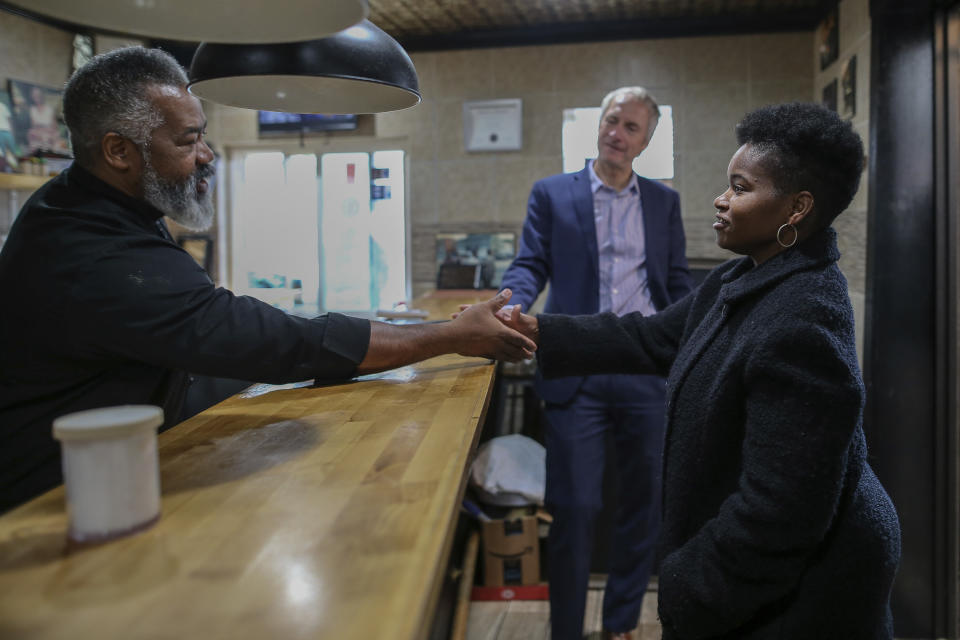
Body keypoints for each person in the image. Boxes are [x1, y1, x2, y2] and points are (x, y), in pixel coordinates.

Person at [0, 46, 535, 515]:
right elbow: (258, 337)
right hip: (51, 507)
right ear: (118, 151)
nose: (207, 155)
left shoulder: (98, 208)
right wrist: (448, 337)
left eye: (203, 135)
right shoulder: (87, 249)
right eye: (188, 141)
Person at [496, 102, 901, 638]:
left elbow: (779, 515)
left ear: (796, 208)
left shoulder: (803, 321)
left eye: (740, 187)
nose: (721, 197)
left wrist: (685, 587)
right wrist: (531, 329)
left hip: (810, 595)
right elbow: (651, 336)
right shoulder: (742, 277)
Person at [498, 86, 692, 640]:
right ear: (598, 125)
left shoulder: (664, 202)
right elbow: (529, 264)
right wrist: (506, 305)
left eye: (632, 127)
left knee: (641, 507)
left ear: (646, 140)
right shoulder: (552, 194)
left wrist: (693, 335)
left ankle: (621, 624)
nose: (618, 133)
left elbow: (676, 283)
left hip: (644, 369)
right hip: (574, 367)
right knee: (576, 508)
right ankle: (564, 630)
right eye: (613, 121)